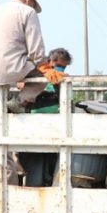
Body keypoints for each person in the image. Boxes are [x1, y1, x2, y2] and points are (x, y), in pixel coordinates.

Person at [0, 0, 62, 183]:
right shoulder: (27, 12)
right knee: (42, 76)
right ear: (29, 1)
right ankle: (20, 100)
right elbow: (36, 46)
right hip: (11, 68)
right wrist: (44, 66)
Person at [17, 47, 73, 186]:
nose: (60, 70)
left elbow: (68, 102)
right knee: (30, 158)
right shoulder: (37, 75)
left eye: (63, 67)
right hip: (33, 123)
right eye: (58, 66)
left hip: (56, 125)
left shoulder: (63, 80)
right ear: (50, 62)